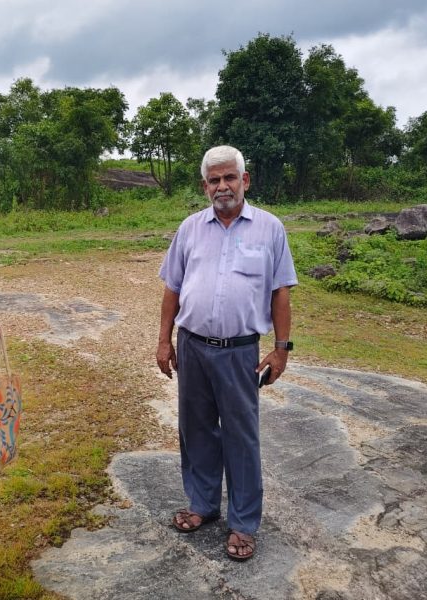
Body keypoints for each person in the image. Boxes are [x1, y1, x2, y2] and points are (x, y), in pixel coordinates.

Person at [156, 145, 297, 561]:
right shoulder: (190, 228)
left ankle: (243, 523)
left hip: (240, 352)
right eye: (214, 180)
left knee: (241, 436)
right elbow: (172, 288)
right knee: (196, 429)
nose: (222, 186)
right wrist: (164, 340)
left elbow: (280, 292)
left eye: (229, 177)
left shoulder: (269, 229)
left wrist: (281, 349)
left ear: (244, 180)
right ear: (205, 186)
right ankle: (202, 505)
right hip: (192, 347)